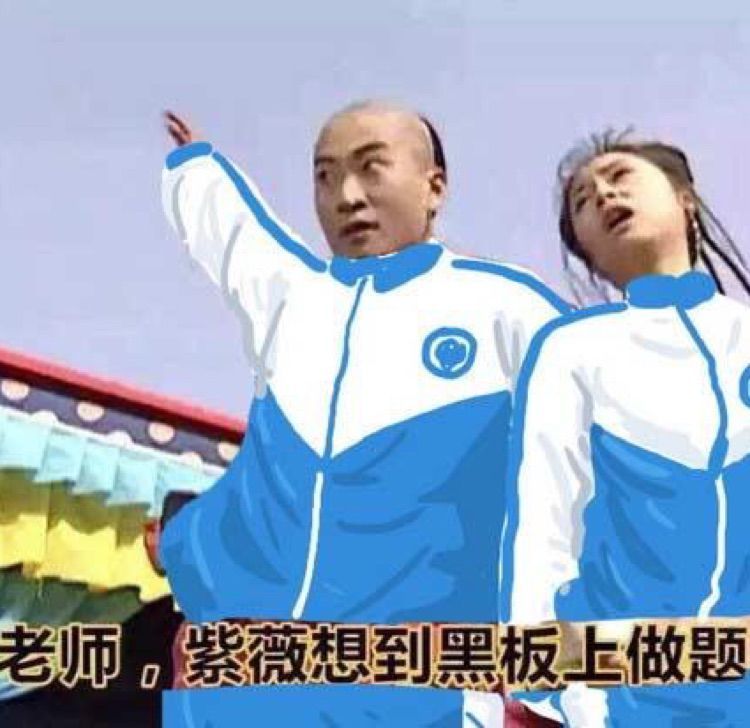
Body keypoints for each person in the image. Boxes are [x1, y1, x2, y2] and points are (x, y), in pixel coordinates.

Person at [158, 102, 569, 726]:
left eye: (371, 168)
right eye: (325, 177)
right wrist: (196, 168)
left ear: (434, 187)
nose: (347, 197)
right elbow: (237, 238)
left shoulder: (506, 311)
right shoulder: (294, 303)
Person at [500, 131, 750, 725]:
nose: (605, 196)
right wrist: (558, 689)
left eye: (619, 177)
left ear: (685, 198)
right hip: (624, 694)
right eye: (583, 202)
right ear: (587, 254)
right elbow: (545, 528)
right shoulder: (573, 351)